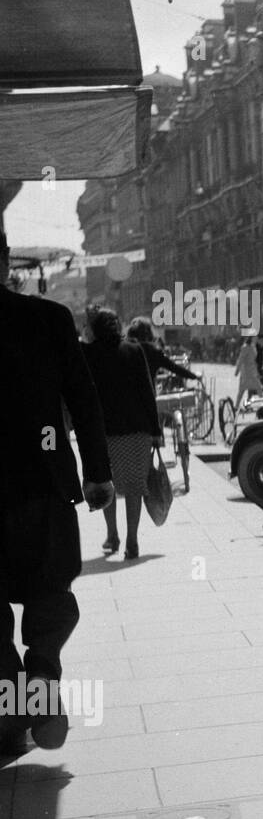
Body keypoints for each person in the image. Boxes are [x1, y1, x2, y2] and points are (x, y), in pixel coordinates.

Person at [0, 233, 114, 754]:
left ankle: (12, 711)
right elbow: (83, 398)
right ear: (6, 262)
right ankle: (42, 678)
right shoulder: (48, 319)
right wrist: (98, 474)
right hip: (43, 486)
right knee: (50, 594)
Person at [82, 308, 164, 562]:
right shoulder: (133, 350)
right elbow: (147, 392)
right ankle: (132, 540)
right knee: (134, 487)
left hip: (102, 433)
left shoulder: (88, 354)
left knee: (105, 482)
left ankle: (112, 535)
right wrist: (155, 430)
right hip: (135, 431)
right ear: (117, 327)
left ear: (94, 329)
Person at [127, 316, 200, 387]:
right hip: (147, 393)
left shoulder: (125, 350)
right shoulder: (154, 352)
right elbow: (175, 368)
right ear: (148, 334)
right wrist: (194, 376)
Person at [233, 334, 262, 409]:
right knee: (243, 390)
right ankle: (236, 406)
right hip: (246, 371)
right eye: (255, 337)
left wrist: (257, 372)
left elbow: (254, 360)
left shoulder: (253, 346)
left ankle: (262, 404)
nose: (257, 338)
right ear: (252, 337)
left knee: (257, 388)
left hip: (252, 370)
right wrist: (237, 371)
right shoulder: (245, 347)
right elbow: (241, 359)